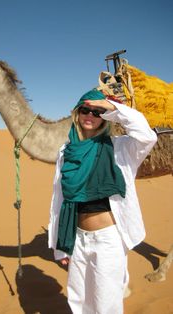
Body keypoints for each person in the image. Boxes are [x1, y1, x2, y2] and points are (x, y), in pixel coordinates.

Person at [48, 89, 157, 314]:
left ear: (104, 117)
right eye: (85, 110)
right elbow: (59, 201)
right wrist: (62, 247)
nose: (90, 115)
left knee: (106, 304)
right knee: (79, 301)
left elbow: (147, 135)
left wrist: (112, 108)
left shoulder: (121, 148)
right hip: (77, 237)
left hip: (108, 240)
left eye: (97, 112)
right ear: (77, 113)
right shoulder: (66, 152)